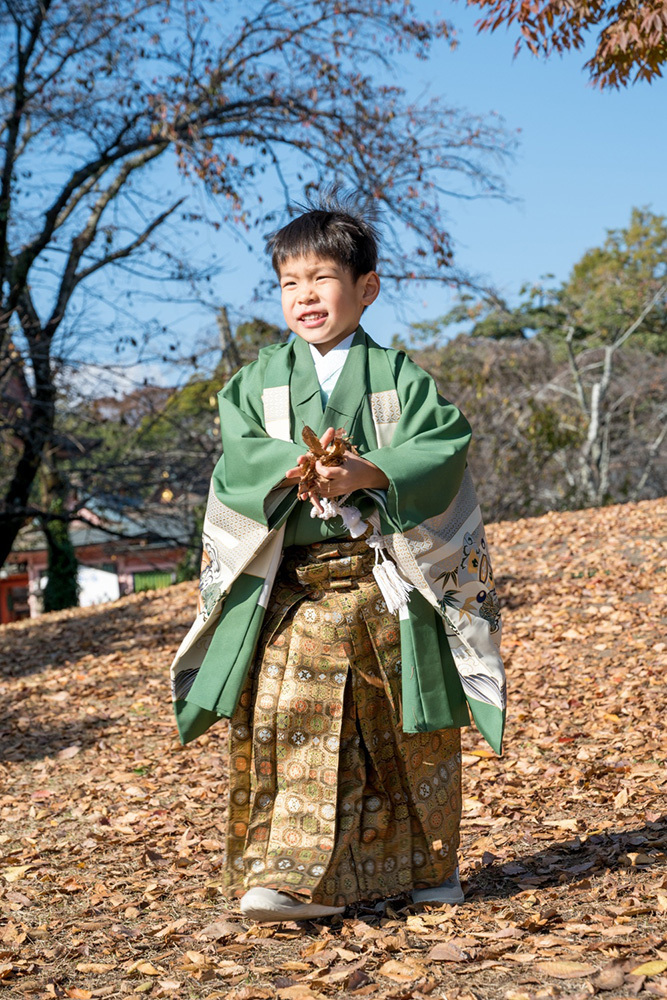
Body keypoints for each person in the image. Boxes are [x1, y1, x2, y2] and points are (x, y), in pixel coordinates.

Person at [170, 192, 506, 922]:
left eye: (321, 279)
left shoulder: (398, 378)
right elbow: (240, 460)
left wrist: (369, 472)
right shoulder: (256, 381)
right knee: (290, 717)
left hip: (385, 579)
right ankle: (292, 879)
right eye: (289, 282)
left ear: (365, 288)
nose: (304, 296)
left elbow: (441, 446)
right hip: (290, 587)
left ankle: (429, 866)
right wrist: (300, 467)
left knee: (407, 729)